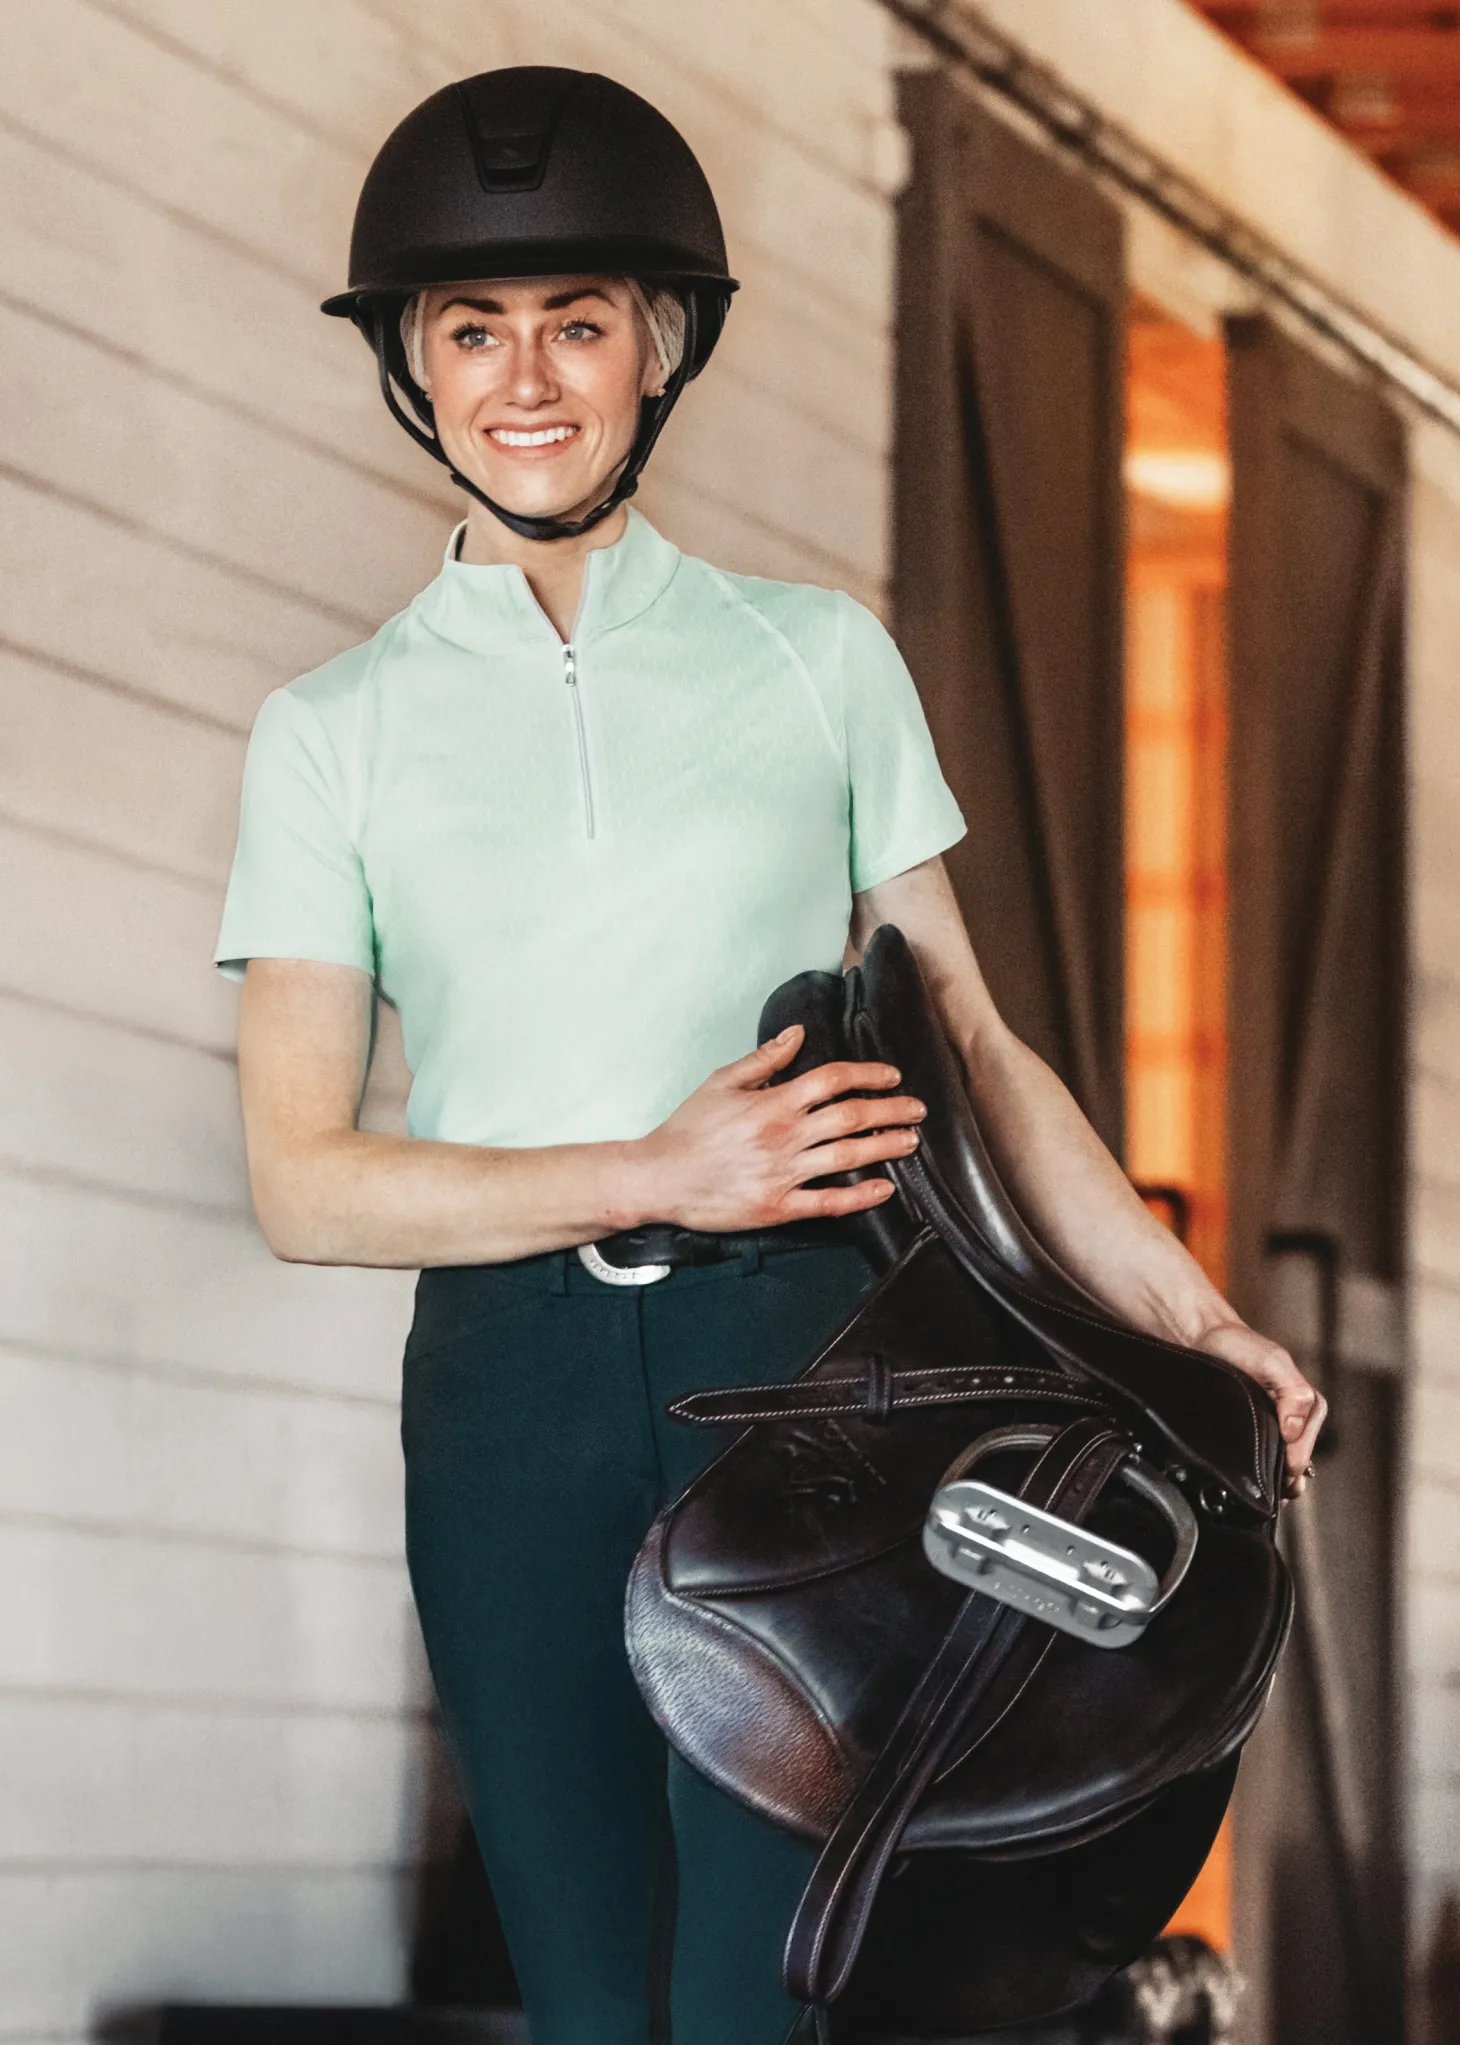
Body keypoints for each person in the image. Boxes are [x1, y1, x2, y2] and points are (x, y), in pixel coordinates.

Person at [213, 66, 1325, 2045]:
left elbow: (970, 1036)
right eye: (470, 329)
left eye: (576, 322)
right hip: (506, 1393)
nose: (523, 377)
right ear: (411, 362)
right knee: (589, 1996)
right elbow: (303, 1177)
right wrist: (655, 1169)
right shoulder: (331, 733)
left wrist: (1194, 1315)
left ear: (662, 346)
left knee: (770, 1987)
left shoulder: (818, 659)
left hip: (810, 1355)